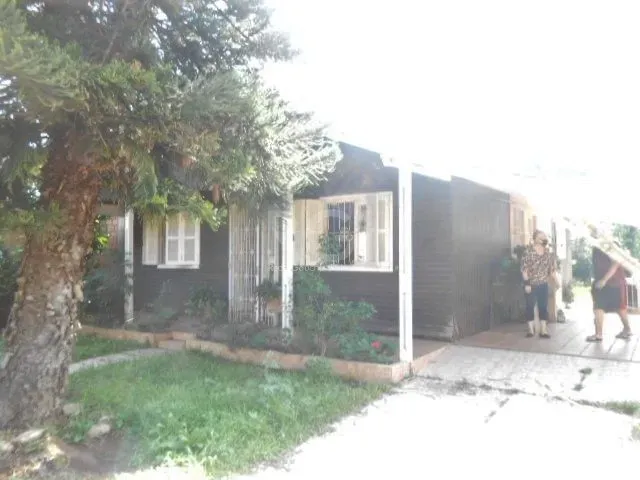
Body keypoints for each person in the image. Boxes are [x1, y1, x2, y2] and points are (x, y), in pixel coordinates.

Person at [586, 247, 632, 342]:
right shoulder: (597, 247)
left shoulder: (609, 245)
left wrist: (604, 280)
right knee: (601, 307)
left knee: (617, 308)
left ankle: (625, 330)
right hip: (605, 282)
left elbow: (616, 262)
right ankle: (600, 334)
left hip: (614, 282)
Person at [520, 230, 556, 338]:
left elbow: (551, 270)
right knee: (530, 306)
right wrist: (527, 283)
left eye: (545, 237)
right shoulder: (528, 253)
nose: (544, 239)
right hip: (531, 284)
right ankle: (530, 330)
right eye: (541, 237)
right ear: (535, 239)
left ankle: (543, 331)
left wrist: (556, 282)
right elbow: (524, 270)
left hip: (543, 284)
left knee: (543, 307)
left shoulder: (548, 254)